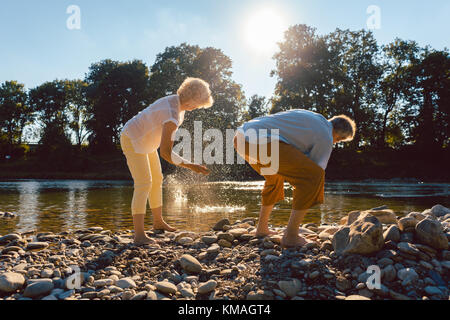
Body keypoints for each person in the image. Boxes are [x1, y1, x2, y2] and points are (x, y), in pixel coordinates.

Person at [234, 109, 356, 248]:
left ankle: (262, 229)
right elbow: (315, 171)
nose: (335, 143)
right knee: (313, 177)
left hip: (241, 138)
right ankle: (291, 236)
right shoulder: (326, 136)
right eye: (339, 140)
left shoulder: (315, 118)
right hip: (262, 142)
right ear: (338, 135)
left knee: (275, 178)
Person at [120, 78, 212, 244]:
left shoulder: (177, 105)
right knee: (144, 183)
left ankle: (157, 222)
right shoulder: (172, 114)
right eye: (198, 104)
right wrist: (191, 165)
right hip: (132, 138)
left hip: (147, 142)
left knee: (157, 179)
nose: (197, 107)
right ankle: (139, 235)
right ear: (192, 99)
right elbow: (166, 153)